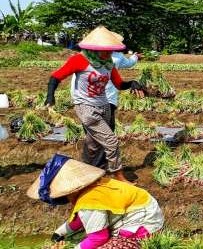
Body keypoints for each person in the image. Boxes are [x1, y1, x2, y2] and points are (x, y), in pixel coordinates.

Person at [44, 26, 144, 182]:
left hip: (104, 105)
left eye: (111, 50)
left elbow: (118, 84)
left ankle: (86, 173)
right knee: (111, 141)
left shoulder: (108, 62)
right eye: (105, 50)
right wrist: (50, 97)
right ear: (94, 48)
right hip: (85, 106)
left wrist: (132, 83)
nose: (109, 53)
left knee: (93, 144)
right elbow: (55, 77)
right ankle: (118, 175)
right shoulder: (79, 60)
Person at [27, 154, 164, 249]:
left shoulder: (90, 200)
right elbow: (80, 218)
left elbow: (98, 237)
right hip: (149, 213)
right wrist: (60, 232)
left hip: (143, 227)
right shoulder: (93, 185)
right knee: (82, 236)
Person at [70, 33, 141, 169]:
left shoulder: (84, 57)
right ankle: (98, 167)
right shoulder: (117, 57)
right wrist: (135, 57)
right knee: (105, 136)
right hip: (103, 100)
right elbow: (129, 63)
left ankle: (93, 167)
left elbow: (119, 82)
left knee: (95, 136)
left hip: (87, 99)